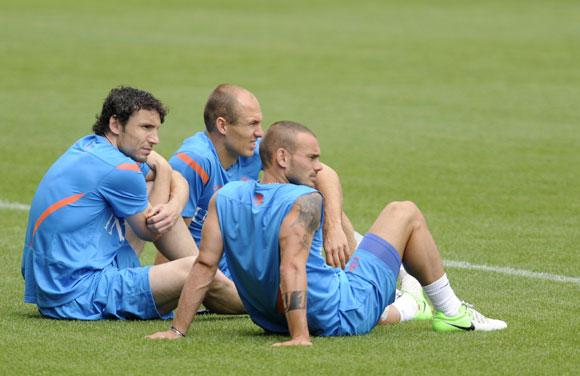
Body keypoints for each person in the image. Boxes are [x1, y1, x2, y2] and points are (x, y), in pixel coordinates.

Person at [147, 120, 507, 344]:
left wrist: (179, 330)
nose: (320, 167)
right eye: (314, 158)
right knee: (404, 211)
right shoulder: (305, 200)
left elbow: (204, 265)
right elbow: (292, 268)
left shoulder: (225, 198)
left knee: (345, 271)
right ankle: (452, 313)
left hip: (271, 320)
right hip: (338, 312)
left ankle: (410, 302)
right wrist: (301, 337)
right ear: (283, 159)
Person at [21, 86, 241, 320]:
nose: (155, 139)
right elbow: (150, 230)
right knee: (192, 270)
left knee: (155, 190)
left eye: (156, 129)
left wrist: (174, 204)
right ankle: (258, 305)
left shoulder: (92, 147)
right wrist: (165, 171)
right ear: (115, 124)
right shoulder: (121, 169)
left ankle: (212, 277)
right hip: (80, 293)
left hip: (59, 285)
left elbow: (177, 180)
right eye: (146, 127)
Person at [162, 84, 355, 278]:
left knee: (316, 194)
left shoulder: (250, 150)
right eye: (252, 124)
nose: (260, 133)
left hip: (247, 262)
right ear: (223, 126)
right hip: (217, 276)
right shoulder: (195, 161)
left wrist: (333, 228)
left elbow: (323, 173)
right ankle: (352, 279)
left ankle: (353, 264)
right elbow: (170, 236)